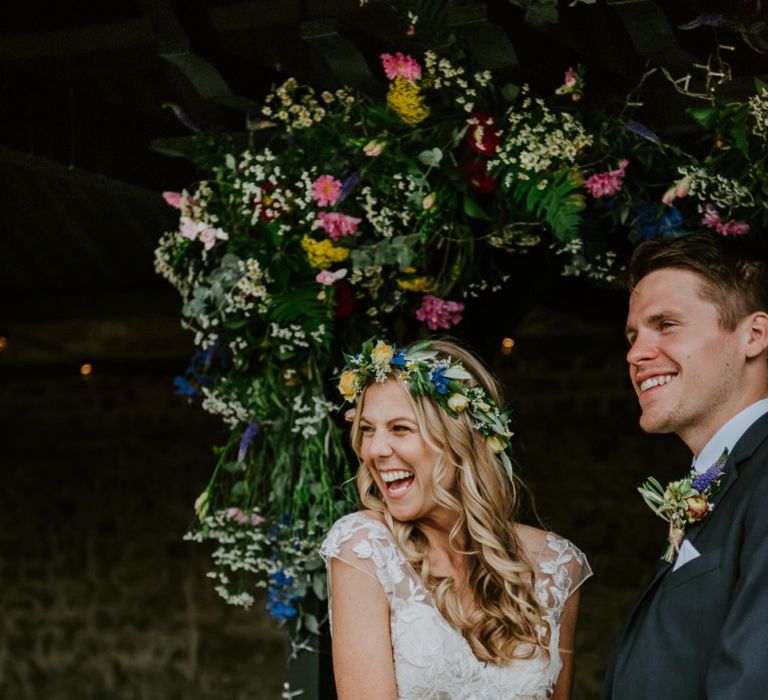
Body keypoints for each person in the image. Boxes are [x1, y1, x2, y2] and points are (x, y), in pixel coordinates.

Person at [320, 337, 591, 699]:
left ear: (461, 439)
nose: (374, 450)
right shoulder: (365, 549)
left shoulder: (558, 565)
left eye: (400, 428)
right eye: (368, 430)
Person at [603, 232, 768, 698]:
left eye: (667, 324)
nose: (636, 353)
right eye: (634, 336)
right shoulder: (723, 479)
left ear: (753, 335)